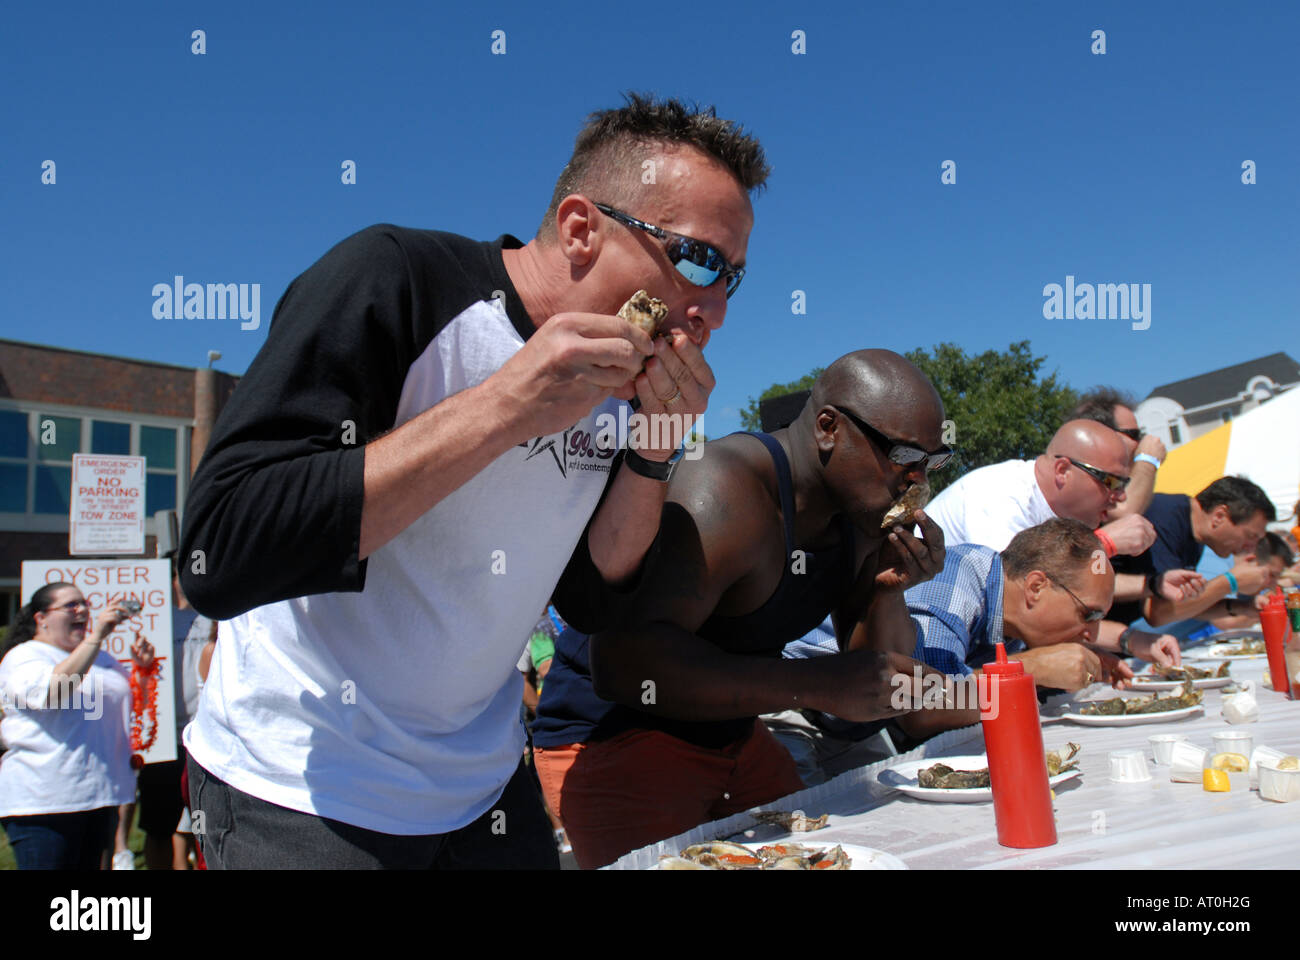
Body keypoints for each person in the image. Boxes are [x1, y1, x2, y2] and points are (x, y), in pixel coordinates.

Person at [178, 94, 766, 869]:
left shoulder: (620, 391)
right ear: (582, 229)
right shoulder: (394, 279)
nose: (714, 311)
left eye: (735, 278)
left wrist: (654, 450)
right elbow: (220, 550)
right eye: (698, 260)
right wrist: (503, 406)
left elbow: (594, 599)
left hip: (485, 787)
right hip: (303, 787)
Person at [533, 350, 956, 868]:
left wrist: (887, 590)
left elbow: (878, 682)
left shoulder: (858, 514)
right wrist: (817, 683)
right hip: (614, 735)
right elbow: (622, 667)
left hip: (731, 731)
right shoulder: (723, 488)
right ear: (828, 427)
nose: (917, 480)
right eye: (905, 455)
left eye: (932, 463)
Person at [923, 419, 1200, 662]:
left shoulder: (1052, 510)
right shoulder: (1000, 498)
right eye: (1112, 483)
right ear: (1063, 470)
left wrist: (1134, 628)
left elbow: (1061, 601)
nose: (1121, 497)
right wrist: (1102, 543)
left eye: (1124, 485)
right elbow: (1022, 603)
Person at [0, 584, 154, 870]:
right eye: (70, 605)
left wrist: (143, 674)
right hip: (45, 802)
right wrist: (95, 637)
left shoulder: (101, 659)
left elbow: (125, 711)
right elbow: (52, 693)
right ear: (41, 618)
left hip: (99, 797)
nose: (82, 610)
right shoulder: (25, 656)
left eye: (84, 603)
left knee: (86, 911)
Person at [1110, 477, 1277, 631]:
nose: (1251, 547)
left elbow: (1184, 604)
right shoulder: (1166, 519)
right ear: (1219, 516)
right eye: (1250, 536)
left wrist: (1243, 607)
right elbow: (1158, 612)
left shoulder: (1193, 530)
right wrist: (1231, 581)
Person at [1070, 388, 1167, 517]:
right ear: (1104, 434)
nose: (1140, 442)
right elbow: (1123, 511)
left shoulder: (1108, 480)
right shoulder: (1076, 474)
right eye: (1134, 434)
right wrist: (1148, 459)